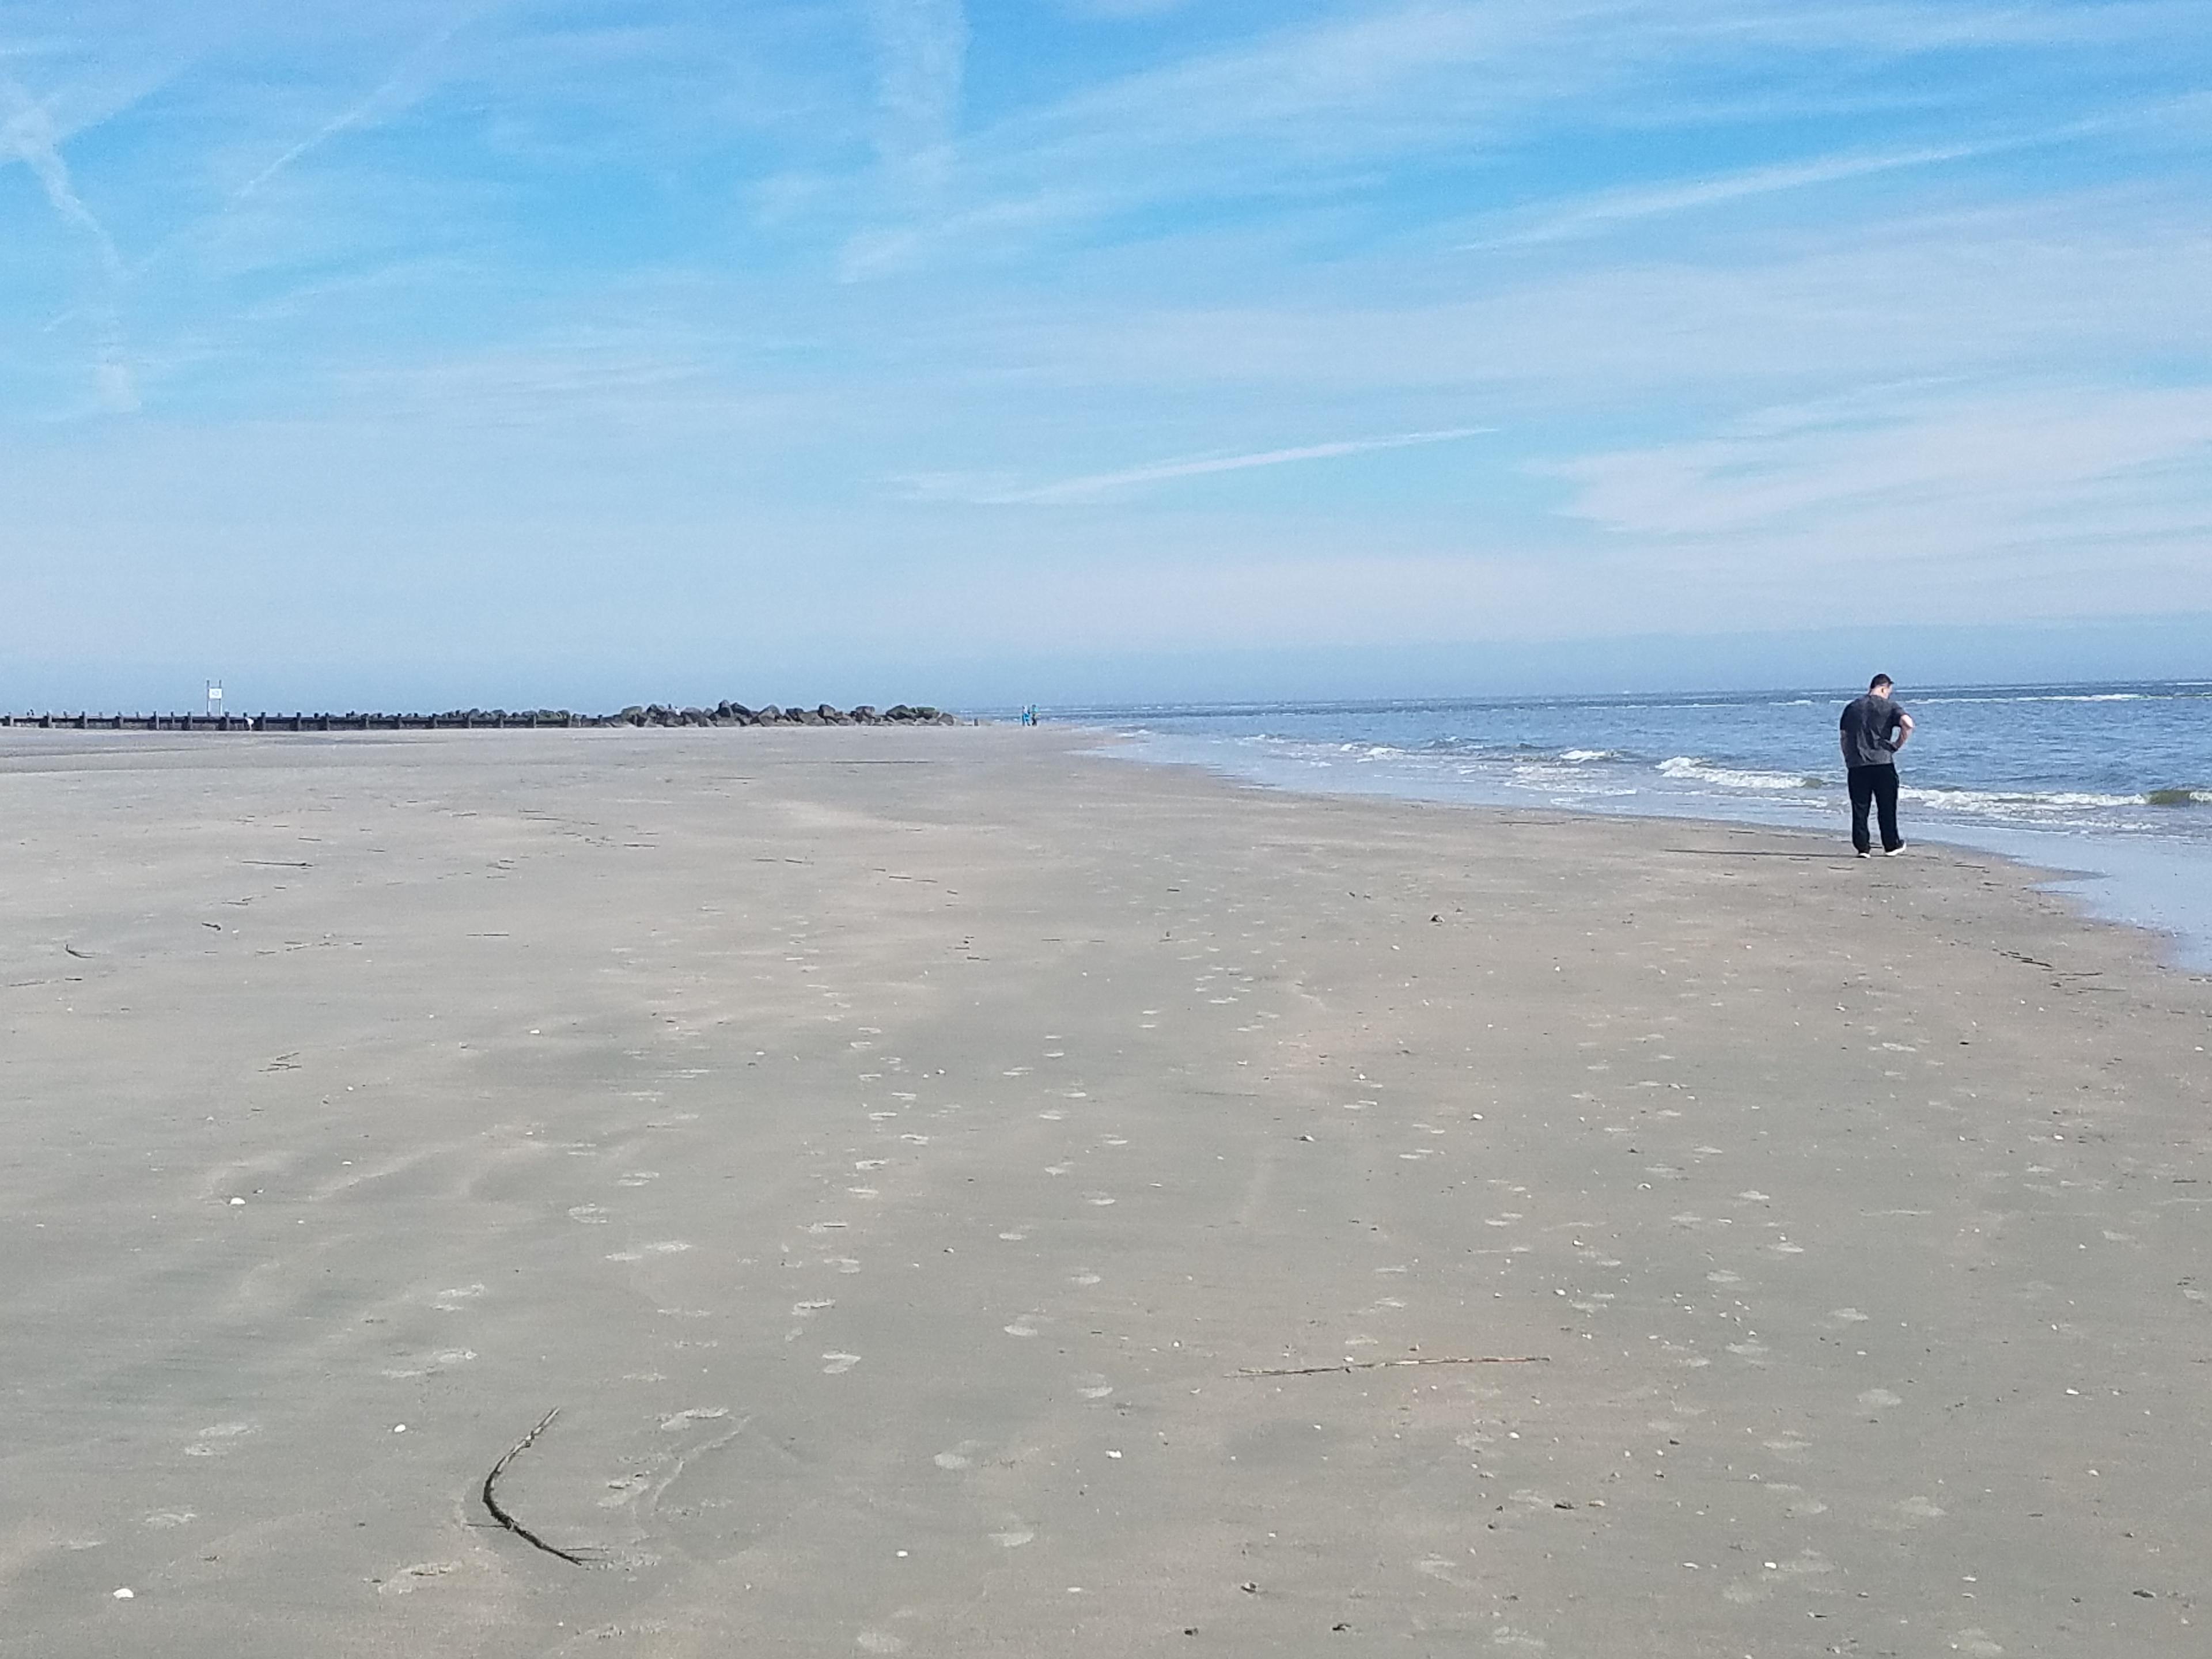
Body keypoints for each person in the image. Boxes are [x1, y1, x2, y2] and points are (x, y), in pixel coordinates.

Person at [1839, 673, 1914, 857]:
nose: (1889, 695)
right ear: (1883, 688)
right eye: (1889, 691)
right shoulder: (1889, 706)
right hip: (1882, 762)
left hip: (1857, 764)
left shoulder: (1852, 708)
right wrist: (1897, 744)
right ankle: (1891, 844)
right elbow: (1908, 724)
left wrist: (1848, 757)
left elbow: (1844, 737)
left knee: (1860, 807)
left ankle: (1863, 847)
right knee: (1887, 806)